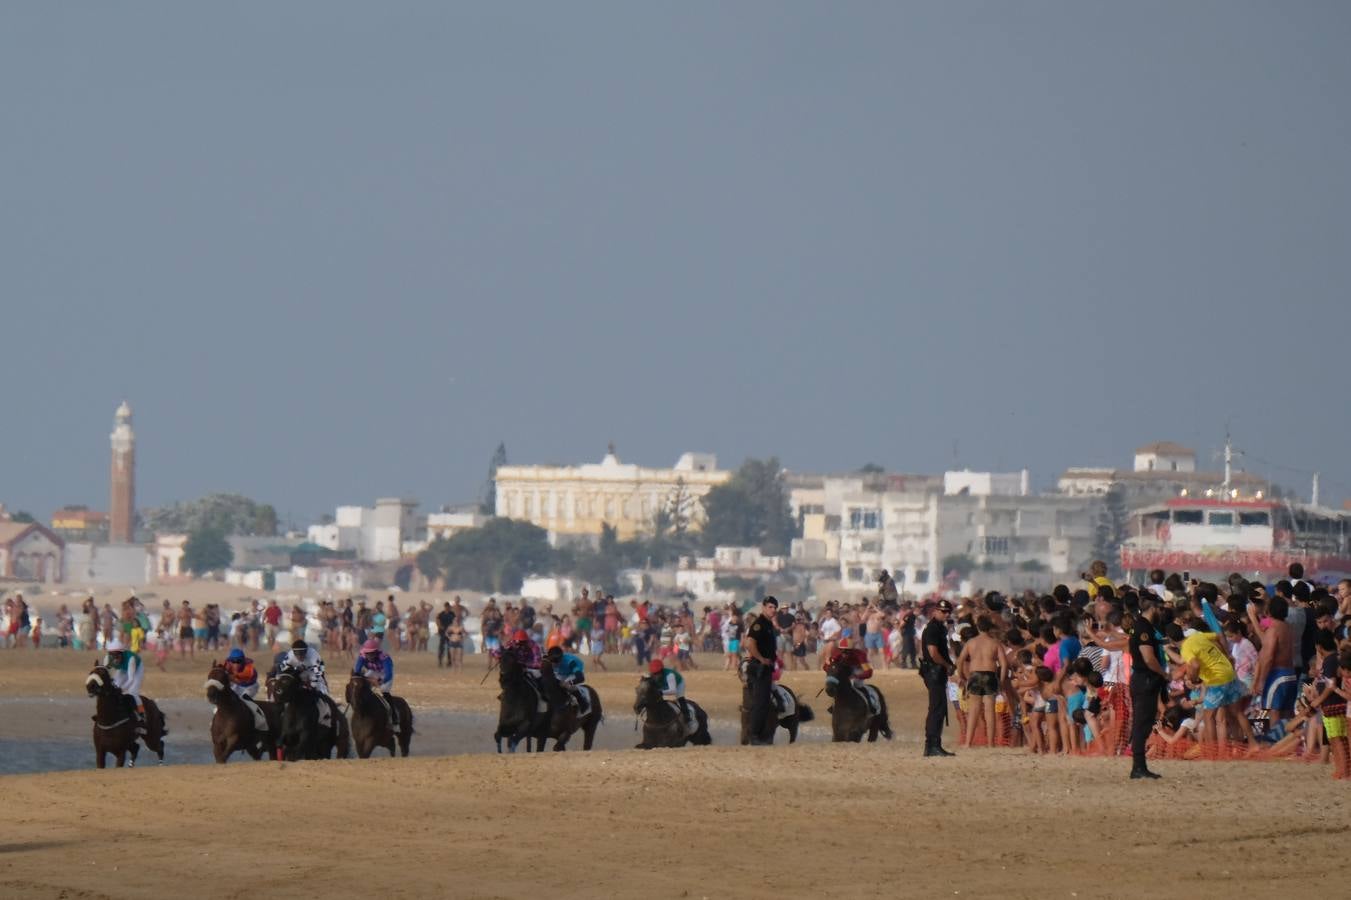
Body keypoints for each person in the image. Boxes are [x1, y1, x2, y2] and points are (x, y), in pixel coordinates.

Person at [1127, 596, 1167, 779]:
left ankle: (1140, 766)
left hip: (1145, 679)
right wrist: (1164, 674)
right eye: (1160, 608)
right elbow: (1149, 658)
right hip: (1145, 679)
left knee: (1144, 721)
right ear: (1153, 608)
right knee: (1141, 723)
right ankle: (1138, 766)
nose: (1161, 611)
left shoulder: (1142, 625)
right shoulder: (1144, 628)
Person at [957, 615, 1007, 749]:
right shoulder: (995, 643)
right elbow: (1004, 664)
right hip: (990, 675)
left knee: (974, 710)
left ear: (977, 627)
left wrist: (962, 676)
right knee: (989, 710)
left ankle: (968, 743)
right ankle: (991, 743)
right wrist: (1001, 681)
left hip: (975, 675)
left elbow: (960, 660)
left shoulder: (971, 642)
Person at [920, 600, 955, 757]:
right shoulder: (933, 629)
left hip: (936, 671)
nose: (946, 614)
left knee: (939, 707)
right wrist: (947, 665)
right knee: (937, 708)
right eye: (943, 611)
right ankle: (932, 745)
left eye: (948, 612)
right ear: (935, 611)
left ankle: (934, 744)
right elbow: (933, 653)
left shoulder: (940, 628)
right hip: (934, 671)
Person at [744, 596, 780, 745]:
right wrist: (761, 658)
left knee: (764, 701)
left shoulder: (768, 624)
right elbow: (750, 643)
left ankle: (760, 733)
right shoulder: (759, 624)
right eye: (770, 607)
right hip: (760, 667)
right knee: (761, 702)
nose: (773, 610)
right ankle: (754, 735)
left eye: (774, 608)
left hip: (766, 667)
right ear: (764, 607)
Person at [823, 636, 878, 714]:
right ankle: (834, 704)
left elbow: (868, 672)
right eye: (842, 650)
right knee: (836, 685)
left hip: (858, 669)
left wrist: (857, 677)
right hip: (845, 670)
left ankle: (870, 704)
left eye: (847, 651)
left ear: (852, 650)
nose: (844, 653)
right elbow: (826, 667)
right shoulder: (837, 655)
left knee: (857, 684)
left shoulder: (860, 655)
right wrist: (830, 668)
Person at [103, 637, 147, 734]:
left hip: (136, 669)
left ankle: (142, 716)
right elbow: (104, 673)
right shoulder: (107, 659)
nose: (115, 659)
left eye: (117, 656)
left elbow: (131, 679)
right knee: (115, 685)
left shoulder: (130, 658)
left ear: (122, 653)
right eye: (113, 656)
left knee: (132, 692)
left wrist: (121, 690)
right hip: (122, 669)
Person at [354, 638, 398, 727]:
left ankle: (393, 716)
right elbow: (357, 671)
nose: (369, 656)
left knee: (384, 690)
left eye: (372, 653)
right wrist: (360, 678)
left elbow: (388, 674)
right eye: (367, 653)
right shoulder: (362, 656)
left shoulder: (385, 658)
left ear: (376, 652)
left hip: (384, 673)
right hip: (373, 671)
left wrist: (380, 681)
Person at [649, 657, 693, 731]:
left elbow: (673, 691)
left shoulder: (670, 675)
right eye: (654, 673)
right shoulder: (652, 676)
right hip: (664, 685)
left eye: (657, 673)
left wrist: (661, 692)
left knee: (680, 698)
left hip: (678, 684)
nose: (655, 675)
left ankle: (687, 718)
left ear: (662, 670)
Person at [546, 645, 591, 716]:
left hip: (572, 672)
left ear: (561, 658)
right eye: (553, 662)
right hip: (561, 672)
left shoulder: (570, 662)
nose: (554, 664)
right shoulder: (547, 660)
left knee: (567, 686)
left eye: (557, 662)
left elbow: (581, 677)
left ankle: (583, 703)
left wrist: (569, 683)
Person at [436, 602, 455, 669]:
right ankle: (440, 661)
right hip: (443, 632)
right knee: (441, 647)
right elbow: (437, 620)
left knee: (450, 647)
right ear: (445, 607)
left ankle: (449, 661)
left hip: (450, 633)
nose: (447, 608)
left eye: (448, 607)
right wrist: (440, 627)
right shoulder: (441, 614)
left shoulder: (452, 614)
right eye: (446, 607)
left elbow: (454, 621)